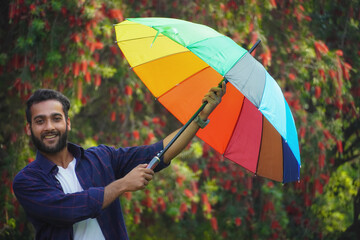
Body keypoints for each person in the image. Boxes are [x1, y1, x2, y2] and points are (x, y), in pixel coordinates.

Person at [13, 82, 226, 240]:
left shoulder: (101, 158)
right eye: (40, 121)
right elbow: (68, 209)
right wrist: (123, 184)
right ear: (29, 129)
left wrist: (201, 115)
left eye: (56, 118)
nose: (49, 127)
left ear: (67, 123)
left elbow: (160, 151)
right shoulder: (27, 180)